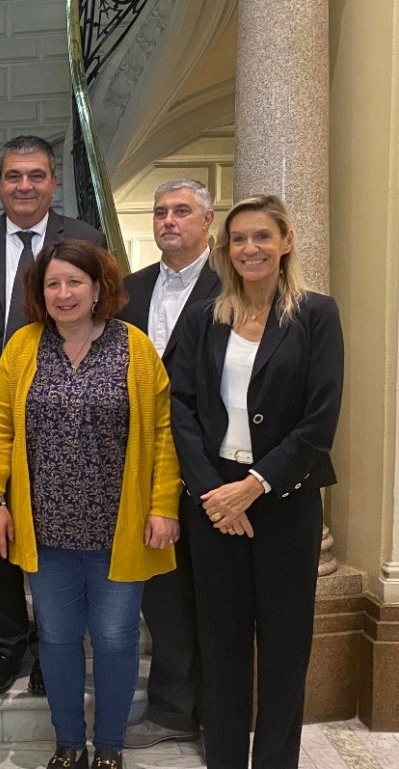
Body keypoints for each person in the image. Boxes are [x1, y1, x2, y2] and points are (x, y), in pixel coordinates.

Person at [0, 239, 181, 769]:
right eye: (52, 284)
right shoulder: (22, 346)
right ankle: (69, 742)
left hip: (120, 526)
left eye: (74, 282)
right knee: (58, 637)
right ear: (38, 292)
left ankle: (109, 744)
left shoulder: (134, 347)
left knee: (116, 638)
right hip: (44, 527)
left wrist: (164, 506)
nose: (63, 293)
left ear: (98, 288)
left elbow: (162, 433)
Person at [170, 195, 344, 769]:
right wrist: (212, 495)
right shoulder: (204, 317)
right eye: (239, 239)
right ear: (226, 249)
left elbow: (319, 422)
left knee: (284, 652)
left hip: (285, 506)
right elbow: (182, 408)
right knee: (220, 650)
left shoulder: (316, 314)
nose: (250, 249)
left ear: (286, 241)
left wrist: (256, 485)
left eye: (262, 237)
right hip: (215, 503)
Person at [0, 135, 105, 696]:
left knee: (59, 535)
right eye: (14, 176)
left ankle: (53, 647)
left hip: (70, 422)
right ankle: (7, 645)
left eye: (36, 175)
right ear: (0, 181)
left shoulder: (84, 238)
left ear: (54, 181)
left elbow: (101, 320)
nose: (25, 186)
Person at [117, 179, 219, 749]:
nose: (168, 221)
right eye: (160, 212)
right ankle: (172, 708)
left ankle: (217, 710)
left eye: (181, 211)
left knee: (214, 591)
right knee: (163, 593)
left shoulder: (230, 286)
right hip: (141, 467)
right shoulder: (129, 291)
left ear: (207, 221)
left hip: (211, 468)